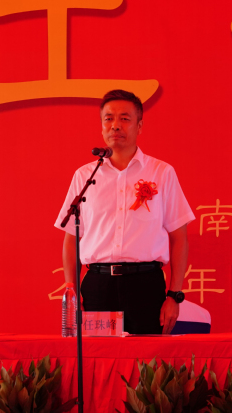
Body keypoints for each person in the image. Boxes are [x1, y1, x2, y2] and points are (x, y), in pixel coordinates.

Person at [55, 90, 195, 334]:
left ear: (139, 126)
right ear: (101, 127)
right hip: (98, 287)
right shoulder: (85, 176)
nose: (115, 125)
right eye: (108, 119)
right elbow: (71, 240)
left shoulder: (161, 173)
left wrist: (174, 295)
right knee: (100, 356)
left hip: (145, 286)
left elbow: (179, 237)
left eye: (124, 119)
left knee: (147, 357)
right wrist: (72, 292)